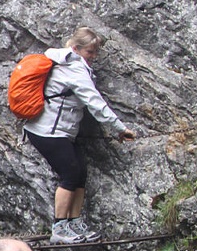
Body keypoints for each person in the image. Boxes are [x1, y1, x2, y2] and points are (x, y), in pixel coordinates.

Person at [23, 27, 135, 244]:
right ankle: (59, 228)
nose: (93, 57)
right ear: (76, 49)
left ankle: (73, 222)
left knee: (80, 172)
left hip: (62, 132)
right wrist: (119, 128)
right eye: (89, 52)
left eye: (95, 53)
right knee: (70, 173)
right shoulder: (73, 68)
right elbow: (94, 102)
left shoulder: (71, 64)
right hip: (46, 130)